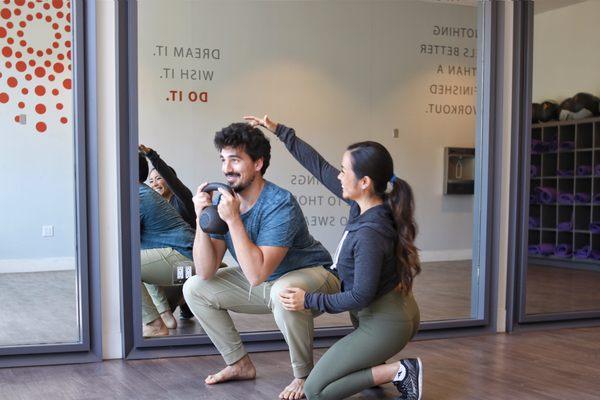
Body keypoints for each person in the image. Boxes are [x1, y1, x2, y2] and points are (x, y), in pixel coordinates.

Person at [244, 115, 422, 400]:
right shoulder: (368, 205)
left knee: (315, 390)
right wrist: (280, 132)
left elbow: (360, 296)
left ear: (364, 182)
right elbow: (318, 167)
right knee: (337, 376)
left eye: (343, 170)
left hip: (386, 321)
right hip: (390, 314)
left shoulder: (370, 232)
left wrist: (308, 301)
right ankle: (376, 365)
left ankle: (400, 371)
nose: (338, 175)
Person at [182, 123, 340, 400]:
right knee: (194, 287)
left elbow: (257, 273)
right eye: (223, 159)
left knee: (283, 292)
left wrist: (233, 220)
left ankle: (304, 376)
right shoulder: (225, 202)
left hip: (312, 276)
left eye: (235, 159)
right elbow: (206, 270)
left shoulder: (280, 203)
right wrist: (200, 218)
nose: (226, 168)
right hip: (268, 280)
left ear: (258, 163)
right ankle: (239, 363)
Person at [138, 152, 196, 337]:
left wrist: (152, 155)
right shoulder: (147, 195)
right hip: (186, 261)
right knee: (139, 256)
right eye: (152, 180)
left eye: (160, 179)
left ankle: (156, 322)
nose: (155, 183)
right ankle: (164, 315)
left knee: (124, 265)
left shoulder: (180, 199)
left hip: (188, 266)